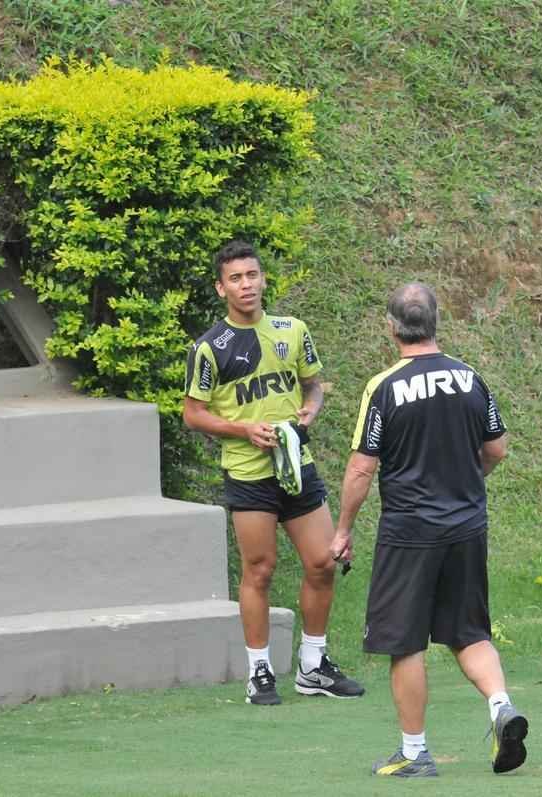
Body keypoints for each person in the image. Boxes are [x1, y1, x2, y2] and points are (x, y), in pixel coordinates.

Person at [334, 283, 528, 778]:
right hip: (467, 526)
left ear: (391, 327)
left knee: (405, 643)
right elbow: (497, 449)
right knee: (469, 632)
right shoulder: (469, 378)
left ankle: (415, 753)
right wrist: (464, 481)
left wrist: (343, 530)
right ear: (437, 320)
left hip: (410, 532)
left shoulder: (384, 387)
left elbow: (361, 468)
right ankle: (501, 705)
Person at [183, 240, 364, 706]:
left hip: (296, 466)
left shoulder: (292, 330)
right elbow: (193, 414)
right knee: (259, 570)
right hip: (248, 474)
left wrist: (310, 409)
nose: (246, 285)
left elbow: (313, 386)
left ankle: (313, 666)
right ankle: (259, 671)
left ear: (263, 279)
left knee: (323, 561)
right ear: (221, 288)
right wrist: (243, 430)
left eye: (252, 275)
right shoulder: (209, 348)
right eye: (236, 278)